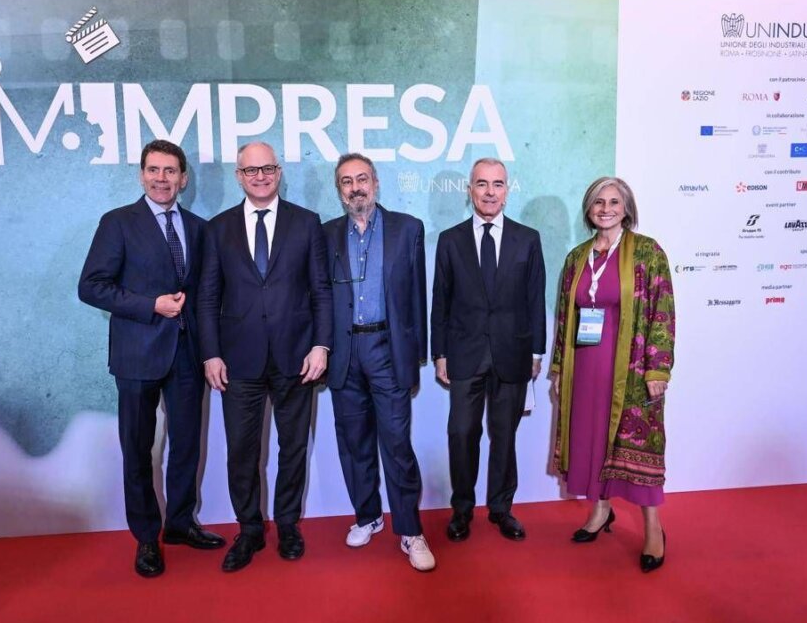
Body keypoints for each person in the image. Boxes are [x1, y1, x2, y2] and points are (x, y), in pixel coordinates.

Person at [78, 139, 226, 578]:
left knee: (186, 445)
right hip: (136, 354)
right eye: (154, 170)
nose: (162, 179)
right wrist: (151, 305)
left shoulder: (200, 228)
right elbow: (91, 286)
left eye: (170, 171)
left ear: (183, 178)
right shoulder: (118, 222)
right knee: (138, 449)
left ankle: (180, 523)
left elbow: (207, 294)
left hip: (187, 355)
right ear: (142, 175)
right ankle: (146, 537)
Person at [198, 141, 332, 573]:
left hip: (297, 357)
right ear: (238, 176)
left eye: (267, 168)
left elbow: (321, 290)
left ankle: (288, 524)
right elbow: (207, 298)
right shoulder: (217, 229)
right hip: (238, 361)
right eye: (251, 170)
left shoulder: (306, 223)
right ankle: (250, 529)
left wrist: (321, 345)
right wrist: (211, 353)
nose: (260, 177)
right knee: (241, 450)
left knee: (293, 446)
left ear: (279, 171)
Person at [549, 176, 674, 573]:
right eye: (598, 202)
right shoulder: (577, 257)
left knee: (637, 448)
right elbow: (565, 318)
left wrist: (658, 367)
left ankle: (653, 528)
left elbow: (663, 311)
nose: (606, 209)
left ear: (626, 208)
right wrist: (558, 367)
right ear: (588, 209)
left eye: (614, 202)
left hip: (631, 369)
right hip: (584, 366)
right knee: (591, 442)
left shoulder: (648, 252)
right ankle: (601, 511)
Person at [323, 153, 435, 572]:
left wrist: (417, 353)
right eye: (347, 181)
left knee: (397, 444)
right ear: (339, 190)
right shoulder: (326, 234)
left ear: (376, 182)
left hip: (388, 349)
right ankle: (367, 515)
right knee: (354, 443)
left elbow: (417, 295)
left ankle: (410, 530)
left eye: (362, 179)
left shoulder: (408, 228)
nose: (356, 187)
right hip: (344, 351)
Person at [431, 157, 546, 543]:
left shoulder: (527, 239)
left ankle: (501, 508)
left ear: (507, 191)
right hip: (464, 354)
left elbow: (535, 298)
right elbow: (441, 301)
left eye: (497, 184)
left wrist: (536, 352)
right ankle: (462, 509)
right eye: (482, 184)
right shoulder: (450, 240)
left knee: (505, 435)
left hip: (513, 353)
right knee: (462, 433)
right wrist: (440, 353)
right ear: (470, 191)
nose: (490, 192)